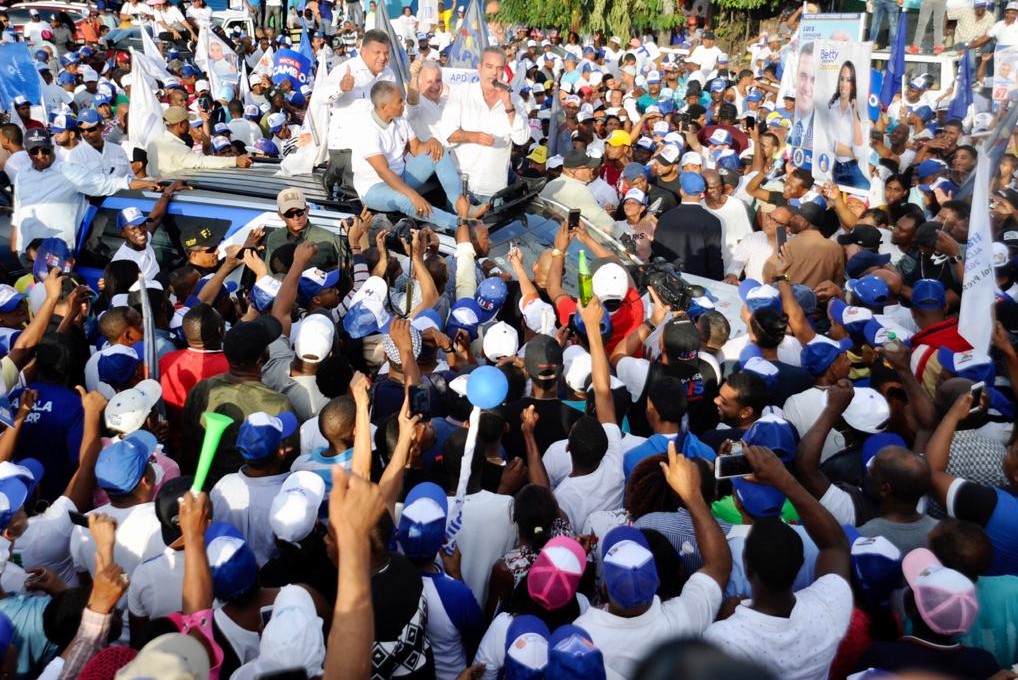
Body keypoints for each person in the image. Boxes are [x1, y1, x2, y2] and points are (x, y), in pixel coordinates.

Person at [704, 445, 853, 680]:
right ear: (801, 563)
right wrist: (786, 481)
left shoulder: (723, 639)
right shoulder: (829, 610)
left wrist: (724, 617)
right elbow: (835, 545)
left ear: (748, 566)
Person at [12, 129, 158, 254]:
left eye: (44, 150)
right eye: (34, 151)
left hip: (58, 253)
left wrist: (146, 182)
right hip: (27, 251)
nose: (40, 155)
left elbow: (108, 183)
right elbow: (19, 208)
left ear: (51, 148)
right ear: (27, 152)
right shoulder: (22, 174)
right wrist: (15, 242)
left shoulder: (68, 171)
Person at [352, 81, 474, 229]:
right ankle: (460, 224)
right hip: (374, 187)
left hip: (400, 177)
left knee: (438, 152)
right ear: (385, 107)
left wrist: (432, 141)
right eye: (399, 101)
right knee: (406, 199)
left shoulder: (400, 120)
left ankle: (460, 207)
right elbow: (383, 172)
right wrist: (414, 195)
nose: (404, 103)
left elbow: (417, 149)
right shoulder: (366, 129)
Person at [439, 46, 531, 201]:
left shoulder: (515, 100)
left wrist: (508, 105)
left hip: (494, 189)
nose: (494, 73)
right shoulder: (462, 93)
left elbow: (521, 139)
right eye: (489, 67)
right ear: (479, 68)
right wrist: (474, 137)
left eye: (499, 68)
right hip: (461, 186)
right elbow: (447, 133)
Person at [324, 28, 395, 198]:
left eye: (386, 53)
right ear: (363, 51)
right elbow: (321, 97)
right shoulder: (345, 70)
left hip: (376, 141)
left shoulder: (389, 73)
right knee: (354, 191)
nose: (382, 57)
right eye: (377, 52)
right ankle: (333, 175)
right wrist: (340, 88)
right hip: (347, 143)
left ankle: (334, 172)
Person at [651, 171, 724, 280]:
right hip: (699, 282)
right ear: (702, 192)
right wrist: (717, 283)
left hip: (669, 280)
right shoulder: (713, 221)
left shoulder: (665, 218)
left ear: (681, 191)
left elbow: (657, 252)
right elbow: (714, 259)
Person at [148, 106, 252, 176]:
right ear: (181, 125)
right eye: (187, 122)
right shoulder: (179, 149)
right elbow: (202, 161)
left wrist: (205, 122)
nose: (189, 125)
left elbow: (206, 150)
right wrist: (235, 160)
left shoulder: (153, 144)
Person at [263, 187, 347, 271]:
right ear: (281, 215)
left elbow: (347, 270)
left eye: (299, 212)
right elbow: (270, 275)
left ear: (307, 210)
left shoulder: (330, 239)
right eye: (289, 214)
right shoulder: (274, 238)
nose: (296, 218)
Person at [825, 61, 868, 191]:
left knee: (863, 192)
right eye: (842, 79)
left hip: (854, 167)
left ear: (853, 84)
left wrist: (854, 114)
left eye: (848, 80)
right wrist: (852, 152)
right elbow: (830, 144)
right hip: (834, 165)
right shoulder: (831, 107)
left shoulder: (860, 110)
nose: (844, 84)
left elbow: (859, 150)